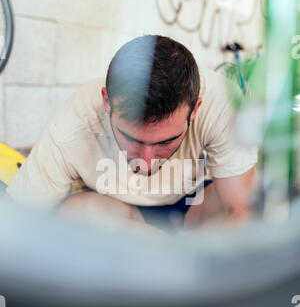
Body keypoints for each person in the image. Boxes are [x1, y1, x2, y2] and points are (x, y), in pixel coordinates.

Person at [6, 35, 258, 232]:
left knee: (246, 206)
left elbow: (240, 211)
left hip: (193, 210)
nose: (146, 161)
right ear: (107, 102)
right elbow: (19, 222)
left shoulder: (221, 99)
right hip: (125, 218)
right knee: (75, 215)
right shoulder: (73, 123)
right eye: (133, 139)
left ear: (195, 110)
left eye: (166, 141)